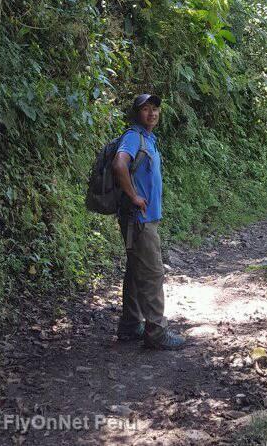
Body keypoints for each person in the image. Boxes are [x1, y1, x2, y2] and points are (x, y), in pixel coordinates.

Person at [112, 93, 186, 350]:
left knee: (135, 270)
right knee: (153, 272)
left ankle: (131, 325)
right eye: (146, 109)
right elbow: (119, 164)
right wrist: (134, 196)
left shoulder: (148, 139)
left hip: (143, 217)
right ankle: (155, 331)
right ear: (137, 113)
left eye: (155, 109)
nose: (152, 113)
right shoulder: (133, 137)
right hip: (139, 219)